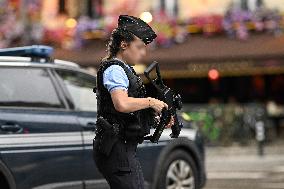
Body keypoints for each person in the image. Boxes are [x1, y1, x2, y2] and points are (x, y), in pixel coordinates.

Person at [93, 15, 174, 189]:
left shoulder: (124, 69)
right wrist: (151, 101)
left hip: (122, 148)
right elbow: (121, 104)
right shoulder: (115, 69)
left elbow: (130, 110)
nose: (143, 52)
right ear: (123, 44)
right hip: (116, 149)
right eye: (139, 47)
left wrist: (156, 119)